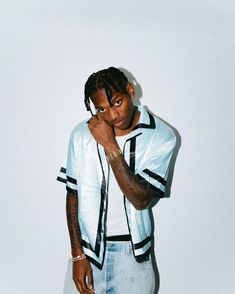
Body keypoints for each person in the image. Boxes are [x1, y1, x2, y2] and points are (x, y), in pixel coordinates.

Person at [57, 67, 176, 294]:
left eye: (117, 103)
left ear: (130, 91)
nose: (112, 115)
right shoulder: (81, 134)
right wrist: (77, 256)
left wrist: (110, 145)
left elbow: (141, 199)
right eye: (101, 108)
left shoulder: (161, 136)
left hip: (133, 258)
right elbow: (72, 194)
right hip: (89, 254)